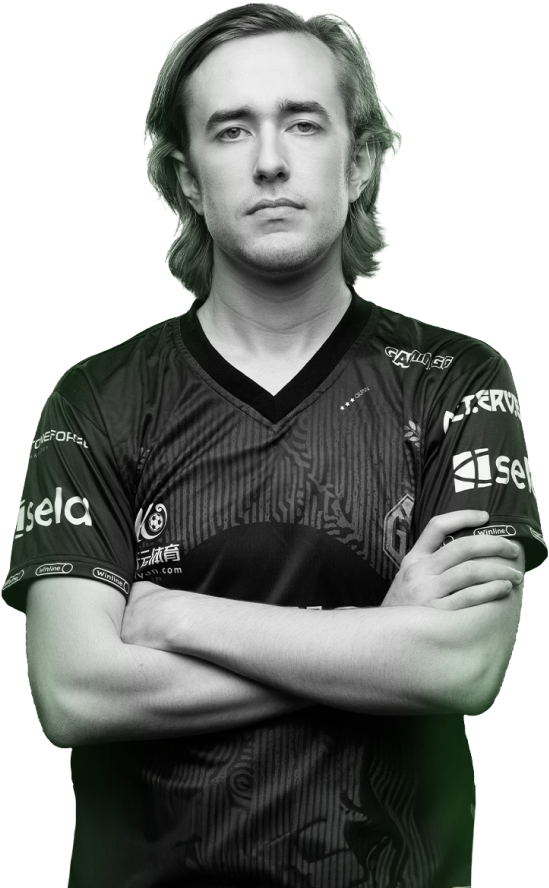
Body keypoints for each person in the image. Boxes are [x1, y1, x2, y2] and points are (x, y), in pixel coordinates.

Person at [2, 4, 545, 887]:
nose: (269, 160)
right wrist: (380, 644)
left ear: (359, 159)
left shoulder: (455, 380)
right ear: (185, 176)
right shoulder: (97, 398)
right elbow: (74, 694)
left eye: (302, 122)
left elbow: (465, 666)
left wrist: (177, 619)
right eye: (231, 129)